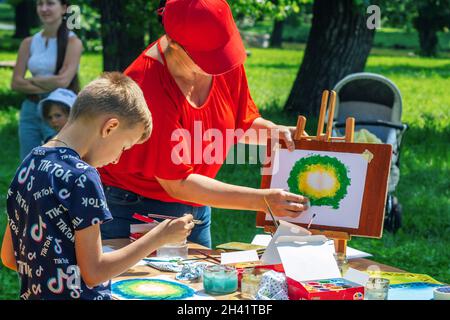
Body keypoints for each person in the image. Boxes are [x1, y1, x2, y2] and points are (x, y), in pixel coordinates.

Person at [99, 0, 309, 248]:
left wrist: (274, 132)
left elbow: (240, 123)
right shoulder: (146, 86)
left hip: (198, 203)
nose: (220, 66)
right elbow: (177, 183)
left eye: (224, 52)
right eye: (210, 59)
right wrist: (262, 201)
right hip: (136, 206)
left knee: (199, 285)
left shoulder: (223, 61)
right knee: (148, 286)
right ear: (175, 44)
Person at [1, 72, 194, 300]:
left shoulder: (30, 162)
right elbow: (94, 273)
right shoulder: (83, 176)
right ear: (110, 127)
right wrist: (158, 237)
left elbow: (9, 257)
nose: (117, 159)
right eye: (124, 147)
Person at [11, 0, 82, 160]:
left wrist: (31, 81)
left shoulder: (73, 42)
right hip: (30, 108)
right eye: (39, 4)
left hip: (58, 110)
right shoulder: (28, 43)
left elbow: (63, 81)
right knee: (28, 162)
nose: (44, 8)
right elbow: (15, 82)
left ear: (64, 8)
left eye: (50, 3)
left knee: (56, 162)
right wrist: (52, 81)